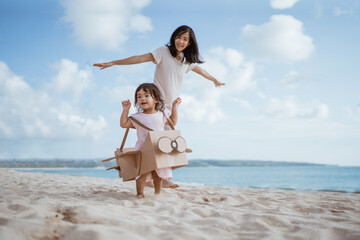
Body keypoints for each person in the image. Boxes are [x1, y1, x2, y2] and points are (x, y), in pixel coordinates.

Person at [94, 25, 225, 187]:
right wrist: (113, 62)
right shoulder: (163, 52)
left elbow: (200, 70)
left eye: (185, 39)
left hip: (169, 108)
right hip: (155, 106)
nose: (181, 41)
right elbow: (140, 58)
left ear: (190, 43)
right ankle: (158, 179)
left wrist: (214, 79)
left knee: (165, 146)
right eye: (179, 37)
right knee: (165, 144)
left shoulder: (186, 61)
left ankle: (152, 178)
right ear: (174, 37)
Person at [120, 83, 181, 198]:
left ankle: (157, 193)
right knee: (141, 173)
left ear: (156, 99)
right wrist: (125, 111)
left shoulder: (162, 114)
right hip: (143, 149)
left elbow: (173, 122)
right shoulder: (137, 116)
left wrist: (174, 108)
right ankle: (140, 193)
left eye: (146, 95)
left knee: (158, 173)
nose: (142, 98)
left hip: (159, 147)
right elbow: (123, 124)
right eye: (139, 96)